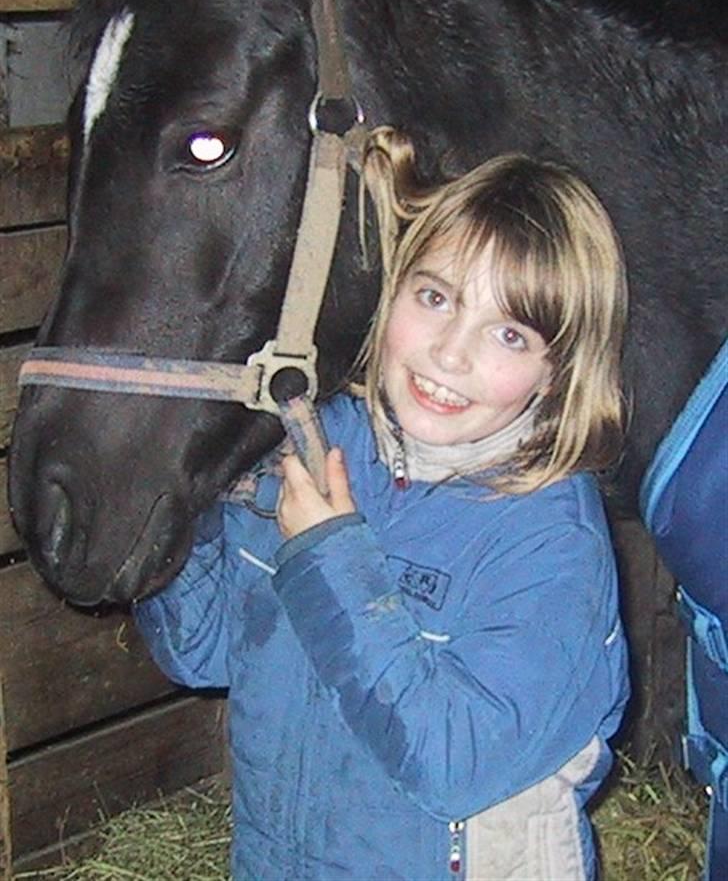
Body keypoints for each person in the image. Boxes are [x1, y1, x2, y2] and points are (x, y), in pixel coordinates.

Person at [135, 140, 630, 880]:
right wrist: (188, 497)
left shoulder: (549, 541)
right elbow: (200, 649)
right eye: (435, 297)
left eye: (508, 333)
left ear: (557, 373)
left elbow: (450, 763)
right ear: (393, 286)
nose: (449, 354)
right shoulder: (315, 441)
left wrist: (329, 556)